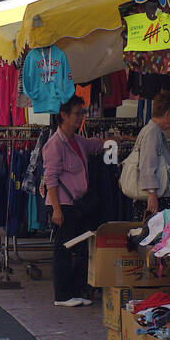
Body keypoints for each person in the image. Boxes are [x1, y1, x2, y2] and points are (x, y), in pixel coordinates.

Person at [44, 94, 105, 307]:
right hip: (64, 205)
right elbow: (50, 178)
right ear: (64, 115)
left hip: (79, 204)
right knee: (64, 248)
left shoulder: (77, 140)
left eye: (82, 113)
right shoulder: (55, 144)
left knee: (82, 247)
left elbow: (95, 145)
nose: (81, 118)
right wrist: (57, 209)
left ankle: (75, 290)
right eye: (77, 113)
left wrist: (117, 141)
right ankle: (62, 295)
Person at [134, 91, 170, 216]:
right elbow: (147, 165)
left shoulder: (153, 131)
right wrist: (152, 193)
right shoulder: (152, 133)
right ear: (167, 114)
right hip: (154, 197)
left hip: (155, 196)